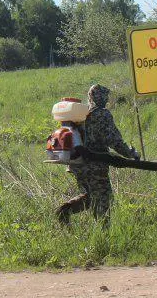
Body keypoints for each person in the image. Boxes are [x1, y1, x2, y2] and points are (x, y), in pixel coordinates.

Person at [55, 84, 139, 224]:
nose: (106, 100)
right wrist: (131, 153)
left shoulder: (81, 114)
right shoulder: (101, 114)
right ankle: (103, 232)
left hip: (77, 163)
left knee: (90, 196)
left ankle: (65, 211)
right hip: (94, 164)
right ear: (101, 97)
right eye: (105, 96)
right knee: (103, 198)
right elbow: (114, 140)